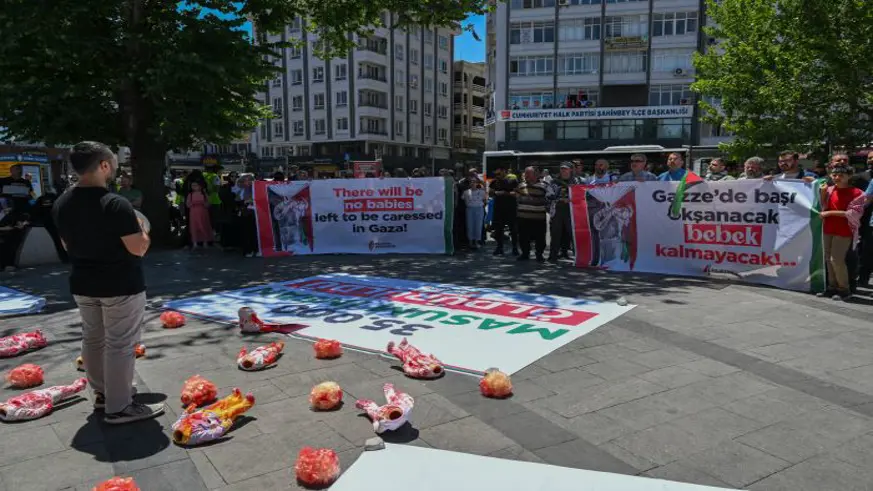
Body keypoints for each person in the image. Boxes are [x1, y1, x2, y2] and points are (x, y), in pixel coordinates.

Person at [52, 141, 165, 424]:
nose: (115, 168)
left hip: (83, 282)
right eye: (113, 163)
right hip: (120, 283)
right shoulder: (115, 204)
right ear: (103, 165)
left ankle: (103, 394)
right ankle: (119, 406)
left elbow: (67, 246)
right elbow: (138, 248)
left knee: (92, 339)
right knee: (119, 344)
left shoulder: (62, 202)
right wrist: (143, 229)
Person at [818, 164, 865, 301]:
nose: (837, 178)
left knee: (836, 259)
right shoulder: (830, 190)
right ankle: (831, 287)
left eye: (841, 175)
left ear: (849, 176)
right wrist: (822, 194)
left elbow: (854, 214)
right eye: (834, 175)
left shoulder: (857, 193)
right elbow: (822, 206)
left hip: (844, 230)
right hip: (828, 228)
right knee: (828, 259)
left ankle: (844, 289)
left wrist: (829, 213)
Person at [515, 167, 549, 262]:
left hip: (538, 217)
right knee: (523, 237)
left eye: (528, 174)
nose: (526, 176)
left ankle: (539, 254)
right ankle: (525, 253)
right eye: (525, 174)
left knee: (540, 237)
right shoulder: (521, 185)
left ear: (536, 175)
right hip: (523, 217)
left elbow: (549, 199)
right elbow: (516, 198)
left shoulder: (544, 186)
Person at [489, 168, 519, 256]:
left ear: (504, 172)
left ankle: (515, 248)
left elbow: (517, 193)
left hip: (511, 209)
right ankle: (499, 247)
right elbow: (490, 193)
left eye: (499, 173)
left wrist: (506, 193)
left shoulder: (512, 181)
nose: (497, 176)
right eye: (496, 174)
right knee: (498, 230)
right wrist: (496, 192)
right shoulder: (494, 182)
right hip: (498, 209)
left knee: (513, 229)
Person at [548, 164, 574, 262]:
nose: (563, 171)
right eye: (562, 169)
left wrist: (572, 199)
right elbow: (549, 194)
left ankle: (579, 256)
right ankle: (553, 256)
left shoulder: (577, 181)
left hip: (572, 211)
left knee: (574, 234)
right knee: (555, 234)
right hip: (558, 210)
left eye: (565, 169)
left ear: (570, 170)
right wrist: (559, 199)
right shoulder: (553, 182)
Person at [0, 198, 28, 271]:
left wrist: (21, 224)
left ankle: (8, 264)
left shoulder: (14, 214)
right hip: (4, 234)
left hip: (11, 235)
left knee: (11, 247)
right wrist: (3, 228)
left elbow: (23, 222)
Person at [186, 181, 213, 248]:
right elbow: (188, 204)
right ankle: (195, 242)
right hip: (193, 213)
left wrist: (203, 203)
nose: (194, 187)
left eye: (196, 185)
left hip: (203, 213)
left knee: (203, 226)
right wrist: (193, 203)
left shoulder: (204, 194)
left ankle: (205, 241)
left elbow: (208, 204)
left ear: (200, 186)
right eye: (192, 185)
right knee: (194, 227)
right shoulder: (190, 194)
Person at [462, 177, 487, 249]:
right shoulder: (466, 192)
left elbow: (484, 200)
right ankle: (470, 242)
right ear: (469, 183)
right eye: (471, 182)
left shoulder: (482, 191)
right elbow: (463, 200)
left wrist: (477, 177)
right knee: (470, 225)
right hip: (470, 209)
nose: (473, 183)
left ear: (477, 183)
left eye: (474, 182)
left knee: (478, 225)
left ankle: (476, 242)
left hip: (479, 209)